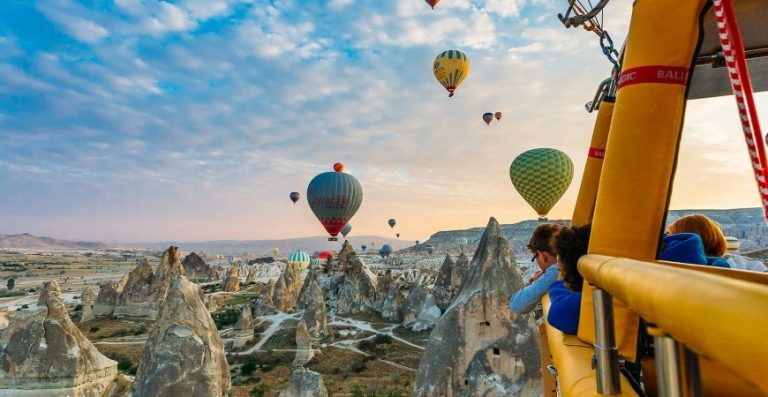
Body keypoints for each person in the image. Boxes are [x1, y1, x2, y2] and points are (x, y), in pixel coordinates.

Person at [547, 224, 591, 334]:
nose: (564, 284)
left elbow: (556, 314)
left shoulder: (589, 302)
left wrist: (558, 287)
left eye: (563, 273)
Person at [509, 223, 563, 314]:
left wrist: (539, 280)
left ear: (542, 256)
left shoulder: (557, 271)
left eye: (535, 258)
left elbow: (516, 305)